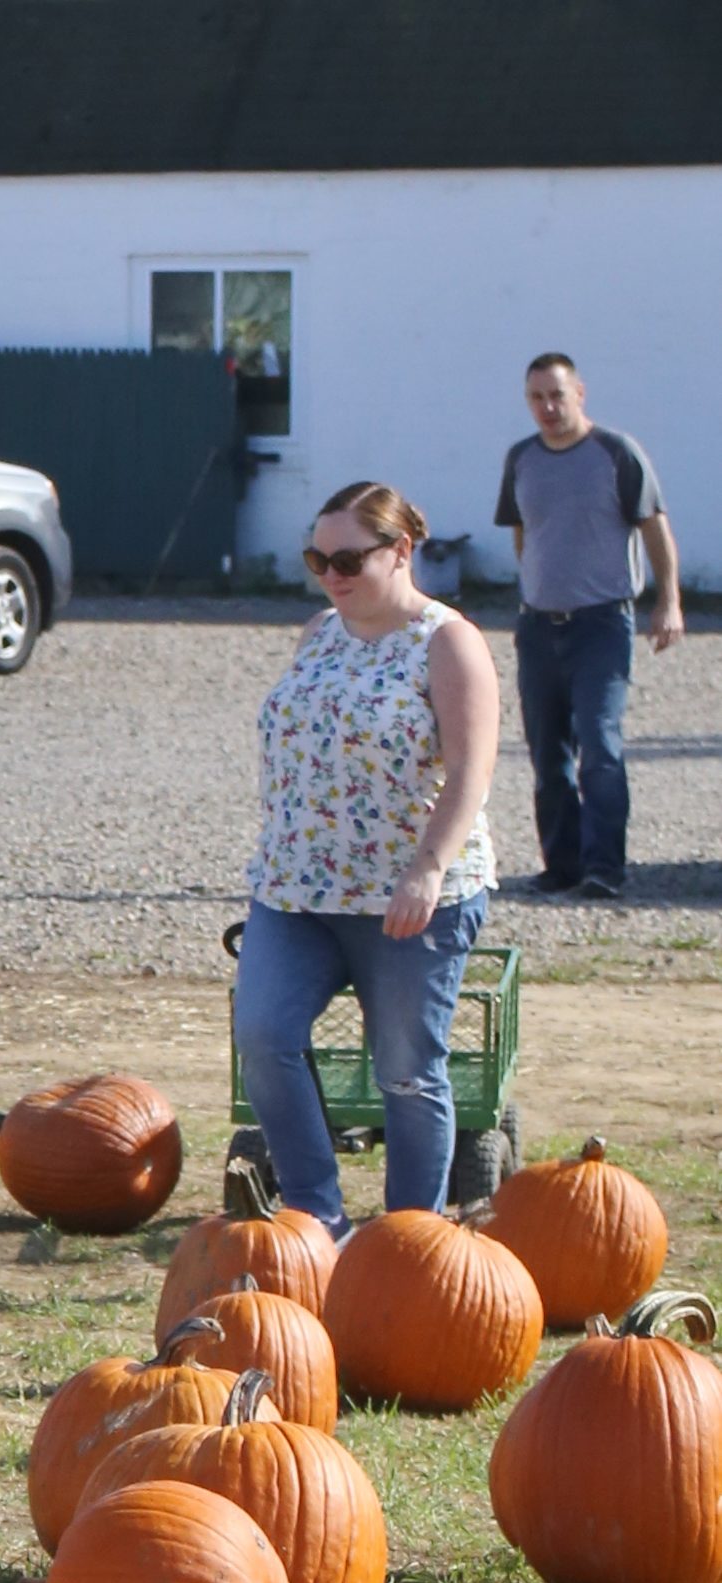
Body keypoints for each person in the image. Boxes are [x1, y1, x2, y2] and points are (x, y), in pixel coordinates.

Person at [234, 482, 499, 1233]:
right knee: (261, 1035)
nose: (331, 573)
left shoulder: (447, 641)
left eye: (348, 556)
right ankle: (315, 1215)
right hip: (294, 890)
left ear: (400, 550)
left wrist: (429, 866)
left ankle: (407, 1239)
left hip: (407, 896)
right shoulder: (318, 630)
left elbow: (472, 768)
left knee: (405, 1072)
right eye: (317, 557)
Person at [495, 352, 682, 899]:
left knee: (599, 746)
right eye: (536, 397)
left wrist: (668, 600)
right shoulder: (521, 459)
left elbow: (655, 527)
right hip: (537, 627)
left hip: (601, 624)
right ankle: (563, 864)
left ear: (579, 393)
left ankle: (605, 868)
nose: (548, 407)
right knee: (546, 753)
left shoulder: (615, 454)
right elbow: (525, 533)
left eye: (557, 395)